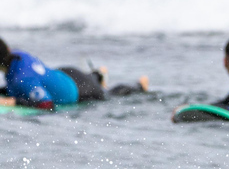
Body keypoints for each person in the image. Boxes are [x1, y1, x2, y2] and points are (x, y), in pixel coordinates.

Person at [0, 37, 148, 110]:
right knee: (90, 79)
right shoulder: (17, 55)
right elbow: (18, 85)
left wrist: (14, 102)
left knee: (109, 94)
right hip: (66, 74)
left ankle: (140, 85)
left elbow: (47, 104)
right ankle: (98, 74)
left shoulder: (24, 80)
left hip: (79, 90)